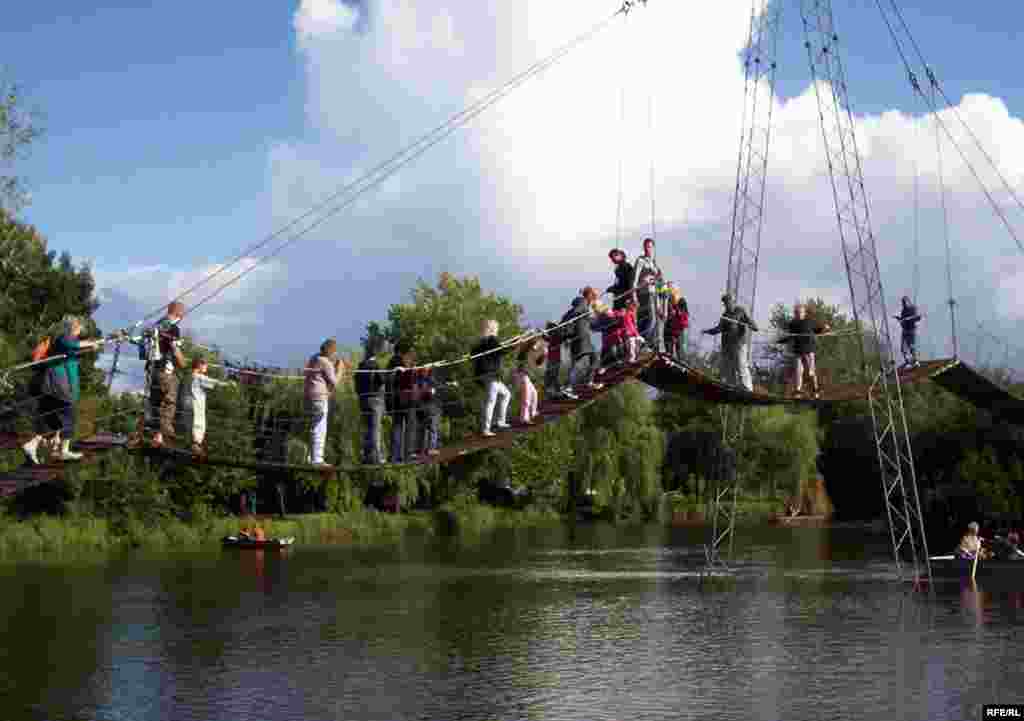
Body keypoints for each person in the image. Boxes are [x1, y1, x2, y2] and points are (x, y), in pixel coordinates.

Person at [21, 316, 104, 463]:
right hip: (58, 384)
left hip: (52, 385)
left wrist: (91, 345)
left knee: (53, 421)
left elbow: (75, 347)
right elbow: (73, 345)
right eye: (79, 329)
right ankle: (63, 451)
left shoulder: (64, 341)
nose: (79, 332)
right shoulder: (63, 339)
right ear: (74, 328)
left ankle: (32, 445)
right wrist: (91, 344)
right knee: (69, 415)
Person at [146, 301, 187, 448]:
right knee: (169, 402)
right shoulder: (173, 328)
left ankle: (157, 437)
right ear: (179, 313)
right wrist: (183, 363)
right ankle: (166, 432)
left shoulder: (157, 324)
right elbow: (174, 349)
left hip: (152, 368)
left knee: (156, 402)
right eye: (183, 313)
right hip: (165, 369)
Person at [702, 293, 758, 392]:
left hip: (739, 343)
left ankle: (748, 388)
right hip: (728, 346)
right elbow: (718, 329)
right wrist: (707, 331)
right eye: (725, 303)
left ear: (733, 301)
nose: (727, 304)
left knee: (741, 365)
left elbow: (750, 321)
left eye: (728, 302)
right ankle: (732, 387)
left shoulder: (740, 311)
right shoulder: (725, 316)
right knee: (729, 368)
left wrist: (753, 326)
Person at [177, 357, 232, 454]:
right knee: (198, 429)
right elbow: (216, 383)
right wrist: (229, 384)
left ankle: (191, 448)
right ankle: (196, 450)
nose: (206, 367)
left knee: (189, 429)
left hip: (185, 406)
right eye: (205, 365)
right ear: (199, 365)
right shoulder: (199, 377)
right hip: (196, 407)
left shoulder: (187, 377)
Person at [303, 338, 343, 465]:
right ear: (331, 350)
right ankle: (318, 458)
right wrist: (340, 369)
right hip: (320, 396)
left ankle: (311, 456)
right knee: (320, 427)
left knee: (314, 425)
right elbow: (335, 382)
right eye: (334, 352)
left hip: (310, 395)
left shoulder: (314, 358)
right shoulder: (325, 362)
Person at [782, 303, 831, 399]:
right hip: (798, 351)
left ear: (804, 313)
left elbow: (817, 330)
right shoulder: (792, 324)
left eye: (800, 312)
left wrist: (825, 328)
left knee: (810, 372)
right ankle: (798, 392)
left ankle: (815, 391)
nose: (798, 314)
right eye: (796, 312)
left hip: (809, 350)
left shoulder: (810, 321)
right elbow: (791, 337)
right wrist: (781, 341)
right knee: (798, 372)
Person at [473, 320, 511, 437]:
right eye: (496, 328)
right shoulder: (492, 339)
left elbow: (473, 354)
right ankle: (486, 428)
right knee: (491, 402)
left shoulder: (481, 342)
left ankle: (499, 421)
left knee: (506, 394)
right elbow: (502, 351)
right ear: (493, 329)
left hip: (487, 376)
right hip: (490, 375)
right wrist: (515, 345)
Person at [355, 335, 387, 464]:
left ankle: (366, 455)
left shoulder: (361, 365)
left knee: (367, 428)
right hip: (374, 399)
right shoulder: (375, 364)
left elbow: (356, 382)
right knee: (375, 429)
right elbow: (381, 380)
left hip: (363, 399)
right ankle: (377, 457)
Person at [564, 287, 602, 394]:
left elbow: (590, 323)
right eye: (594, 296)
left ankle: (577, 384)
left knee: (589, 359)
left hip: (581, 337)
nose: (595, 298)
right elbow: (575, 313)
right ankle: (570, 385)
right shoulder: (583, 303)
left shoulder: (584, 305)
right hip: (581, 337)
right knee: (585, 360)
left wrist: (595, 317)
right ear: (589, 295)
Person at [387, 341, 418, 460]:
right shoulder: (400, 362)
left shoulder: (391, 362)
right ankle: (408, 453)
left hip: (395, 399)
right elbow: (407, 379)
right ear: (403, 352)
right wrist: (412, 368)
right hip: (405, 398)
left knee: (397, 426)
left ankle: (395, 455)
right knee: (410, 424)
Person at [632, 237, 664, 351]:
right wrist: (634, 295)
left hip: (653, 294)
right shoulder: (641, 261)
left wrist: (660, 304)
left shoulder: (654, 264)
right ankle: (644, 344)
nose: (647, 249)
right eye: (646, 246)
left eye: (650, 246)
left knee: (653, 321)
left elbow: (659, 284)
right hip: (644, 294)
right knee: (651, 320)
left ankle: (649, 345)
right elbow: (635, 280)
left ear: (653, 248)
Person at [511, 343, 540, 425]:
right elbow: (525, 365)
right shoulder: (523, 353)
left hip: (525, 376)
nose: (534, 350)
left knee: (534, 393)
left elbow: (535, 364)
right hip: (521, 375)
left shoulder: (529, 355)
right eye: (533, 348)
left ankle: (533, 412)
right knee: (526, 398)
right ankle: (524, 418)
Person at [416, 367, 442, 456]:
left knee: (422, 428)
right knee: (432, 428)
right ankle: (431, 448)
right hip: (430, 406)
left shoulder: (417, 380)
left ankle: (420, 449)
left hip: (420, 406)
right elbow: (431, 393)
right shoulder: (430, 381)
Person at [542, 322, 567, 400]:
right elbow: (547, 338)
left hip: (555, 360)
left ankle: (559, 391)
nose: (548, 330)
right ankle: (551, 393)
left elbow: (560, 338)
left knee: (553, 376)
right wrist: (542, 333)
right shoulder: (552, 337)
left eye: (548, 328)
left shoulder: (557, 337)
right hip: (551, 360)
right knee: (548, 377)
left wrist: (544, 333)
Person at [895, 296, 922, 368]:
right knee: (903, 348)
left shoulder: (913, 308)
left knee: (911, 346)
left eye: (904, 302)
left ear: (908, 302)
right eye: (902, 303)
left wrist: (909, 318)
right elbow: (902, 321)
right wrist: (899, 319)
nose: (903, 304)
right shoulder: (903, 311)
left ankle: (915, 361)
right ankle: (907, 362)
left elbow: (918, 317)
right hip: (905, 330)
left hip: (911, 330)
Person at [664, 285, 689, 362]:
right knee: (674, 345)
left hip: (677, 329)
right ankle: (673, 358)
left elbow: (683, 317)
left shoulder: (680, 304)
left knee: (678, 346)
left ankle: (679, 360)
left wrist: (676, 312)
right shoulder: (671, 303)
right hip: (674, 329)